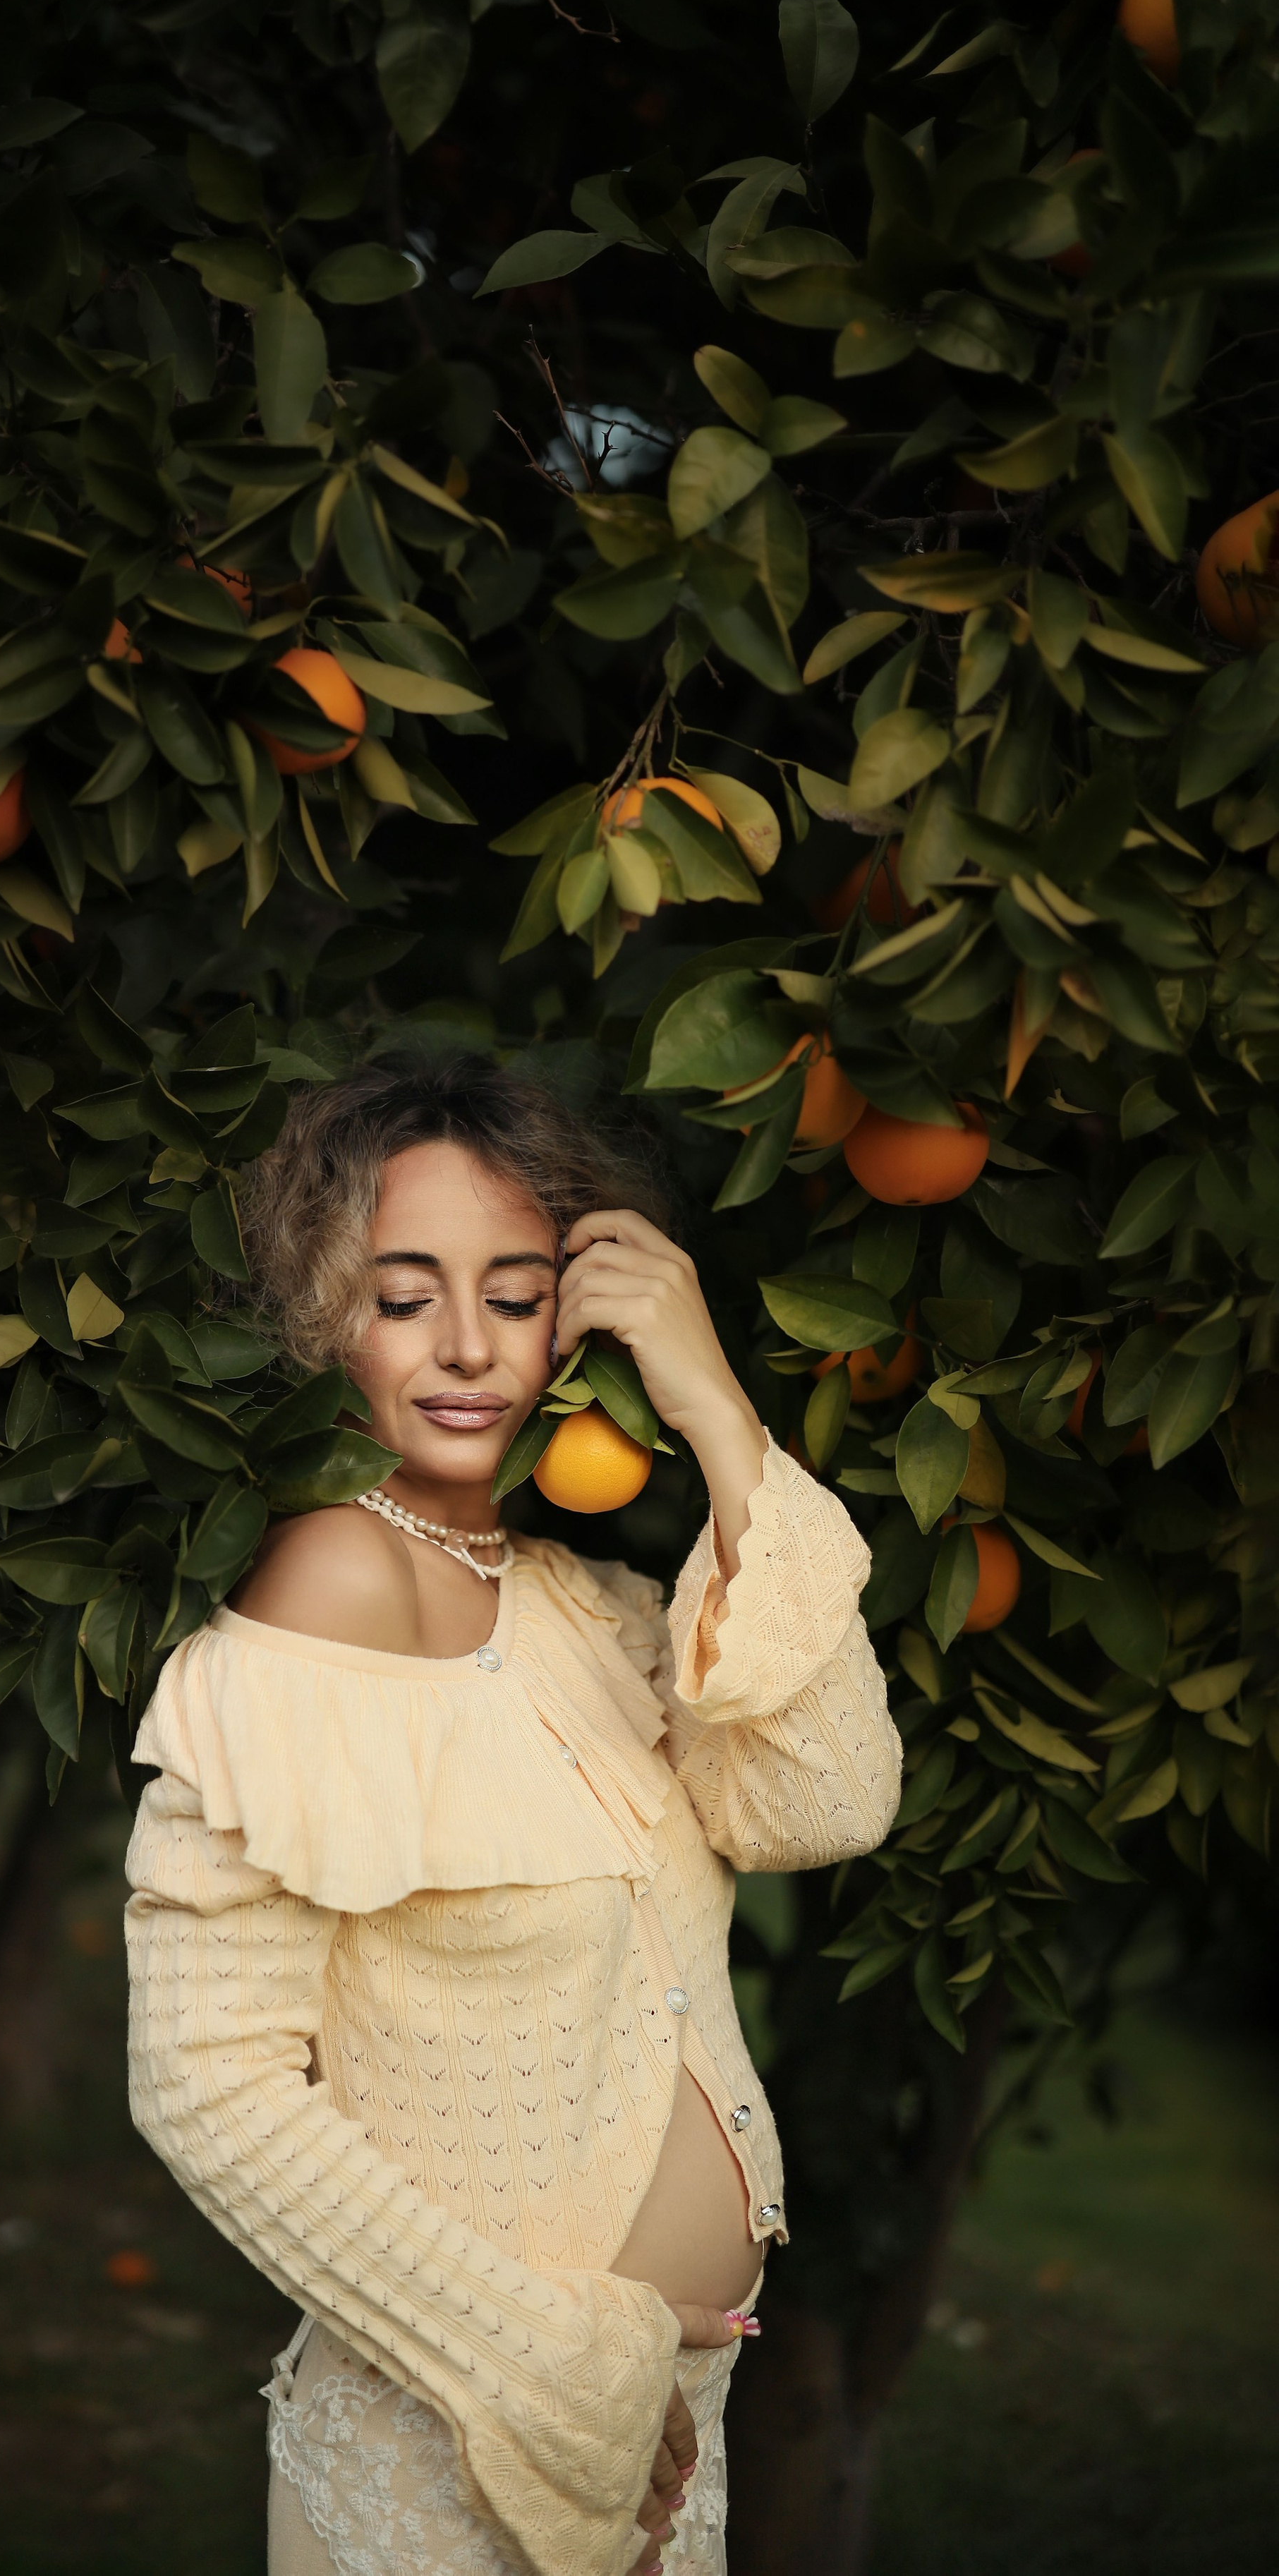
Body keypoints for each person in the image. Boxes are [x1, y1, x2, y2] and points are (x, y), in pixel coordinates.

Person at [124, 1055, 902, 2576]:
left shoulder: (584, 1610)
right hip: (456, 2438)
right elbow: (204, 2084)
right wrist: (553, 2362)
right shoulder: (330, 1586)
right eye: (404, 1296)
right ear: (317, 1314)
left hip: (664, 2433)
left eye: (515, 1290)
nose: (466, 1346)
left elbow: (823, 1802)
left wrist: (713, 1407)